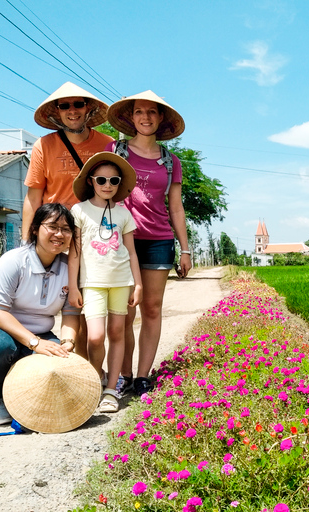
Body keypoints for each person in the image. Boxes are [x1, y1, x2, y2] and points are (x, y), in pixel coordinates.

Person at [106, 90, 192, 396]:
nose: (145, 117)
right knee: (124, 311)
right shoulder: (115, 150)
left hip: (158, 240)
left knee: (152, 309)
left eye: (152, 112)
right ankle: (123, 373)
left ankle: (143, 375)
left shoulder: (172, 162)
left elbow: (176, 207)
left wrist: (185, 248)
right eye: (139, 112)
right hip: (120, 242)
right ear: (131, 118)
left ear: (161, 119)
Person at [22, 82, 113, 362]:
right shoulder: (44, 145)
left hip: (94, 238)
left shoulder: (106, 144)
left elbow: (116, 191)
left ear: (89, 109)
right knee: (41, 306)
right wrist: (27, 242)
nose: (72, 110)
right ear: (57, 113)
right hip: (56, 235)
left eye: (78, 104)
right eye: (65, 106)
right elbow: (33, 197)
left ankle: (87, 371)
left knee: (87, 309)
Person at [0, 203, 81, 425]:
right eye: (52, 226)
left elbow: (70, 314)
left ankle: (24, 397)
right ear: (35, 229)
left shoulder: (69, 268)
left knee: (57, 367)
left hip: (39, 333)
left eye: (66, 229)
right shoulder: (14, 261)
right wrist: (34, 343)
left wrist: (68, 342)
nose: (59, 234)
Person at [68, 152, 142, 413]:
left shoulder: (124, 214)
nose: (107, 185)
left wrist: (139, 284)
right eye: (101, 179)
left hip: (122, 282)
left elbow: (132, 252)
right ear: (91, 181)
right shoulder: (78, 210)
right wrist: (74, 286)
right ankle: (96, 378)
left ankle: (111, 389)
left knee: (117, 333)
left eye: (113, 180)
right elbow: (74, 252)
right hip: (92, 284)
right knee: (96, 336)